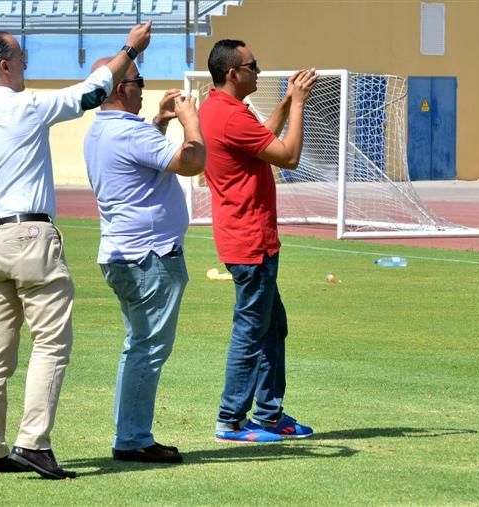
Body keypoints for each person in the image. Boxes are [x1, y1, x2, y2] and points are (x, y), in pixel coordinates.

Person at [0, 24, 152, 478]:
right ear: (4, 65)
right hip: (29, 235)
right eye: (21, 57)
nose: (26, 64)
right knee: (51, 342)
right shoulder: (27, 106)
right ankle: (33, 442)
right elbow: (94, 90)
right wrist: (130, 48)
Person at [83, 58, 205, 463]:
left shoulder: (101, 129)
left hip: (125, 253)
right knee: (147, 349)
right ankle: (133, 438)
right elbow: (191, 162)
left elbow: (143, 164)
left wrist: (161, 121)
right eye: (139, 81)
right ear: (121, 88)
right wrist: (190, 121)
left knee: (138, 346)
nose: (143, 88)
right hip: (149, 256)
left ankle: (131, 433)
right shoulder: (127, 131)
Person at [197, 39, 318, 443]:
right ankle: (231, 420)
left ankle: (268, 414)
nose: (259, 71)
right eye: (253, 66)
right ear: (233, 73)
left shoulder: (219, 108)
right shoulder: (230, 117)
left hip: (247, 239)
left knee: (272, 327)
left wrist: (284, 102)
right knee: (251, 331)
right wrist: (299, 104)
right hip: (250, 241)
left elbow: (259, 142)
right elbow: (286, 156)